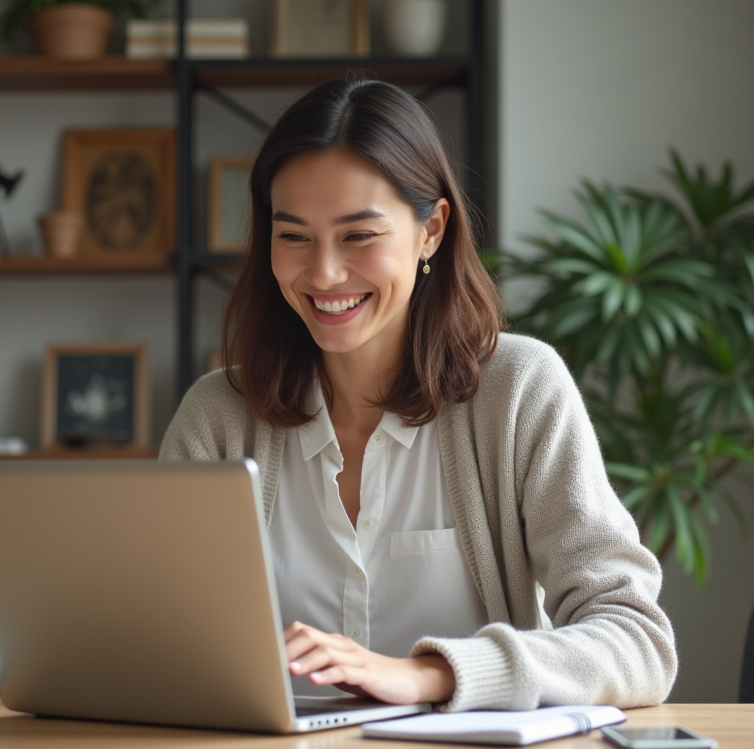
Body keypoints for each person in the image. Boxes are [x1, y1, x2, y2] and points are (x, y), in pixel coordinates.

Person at [161, 78, 676, 711]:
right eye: (293, 236)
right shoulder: (216, 417)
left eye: (358, 236)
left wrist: (433, 675)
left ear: (430, 231)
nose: (322, 274)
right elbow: (158, 638)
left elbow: (637, 638)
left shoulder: (519, 392)